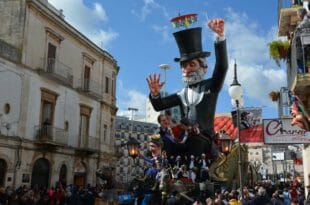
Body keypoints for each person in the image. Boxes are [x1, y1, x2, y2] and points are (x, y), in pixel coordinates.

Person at [147, 18, 228, 157]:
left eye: (192, 65)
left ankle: (192, 176)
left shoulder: (211, 86)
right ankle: (164, 174)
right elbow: (159, 105)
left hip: (205, 139)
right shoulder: (181, 94)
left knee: (195, 142)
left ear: (204, 68)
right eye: (184, 66)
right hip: (185, 139)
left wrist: (220, 38)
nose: (187, 69)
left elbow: (222, 67)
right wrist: (155, 94)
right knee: (163, 142)